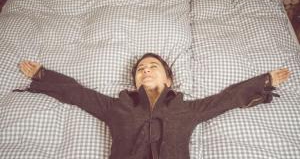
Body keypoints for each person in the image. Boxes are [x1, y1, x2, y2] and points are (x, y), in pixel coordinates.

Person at [16, 53, 290, 159]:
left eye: (153, 67)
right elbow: (78, 94)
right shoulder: (116, 107)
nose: (145, 71)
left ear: (168, 78)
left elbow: (227, 99)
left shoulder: (187, 109)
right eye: (140, 70)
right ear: (135, 81)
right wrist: (43, 75)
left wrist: (263, 81)